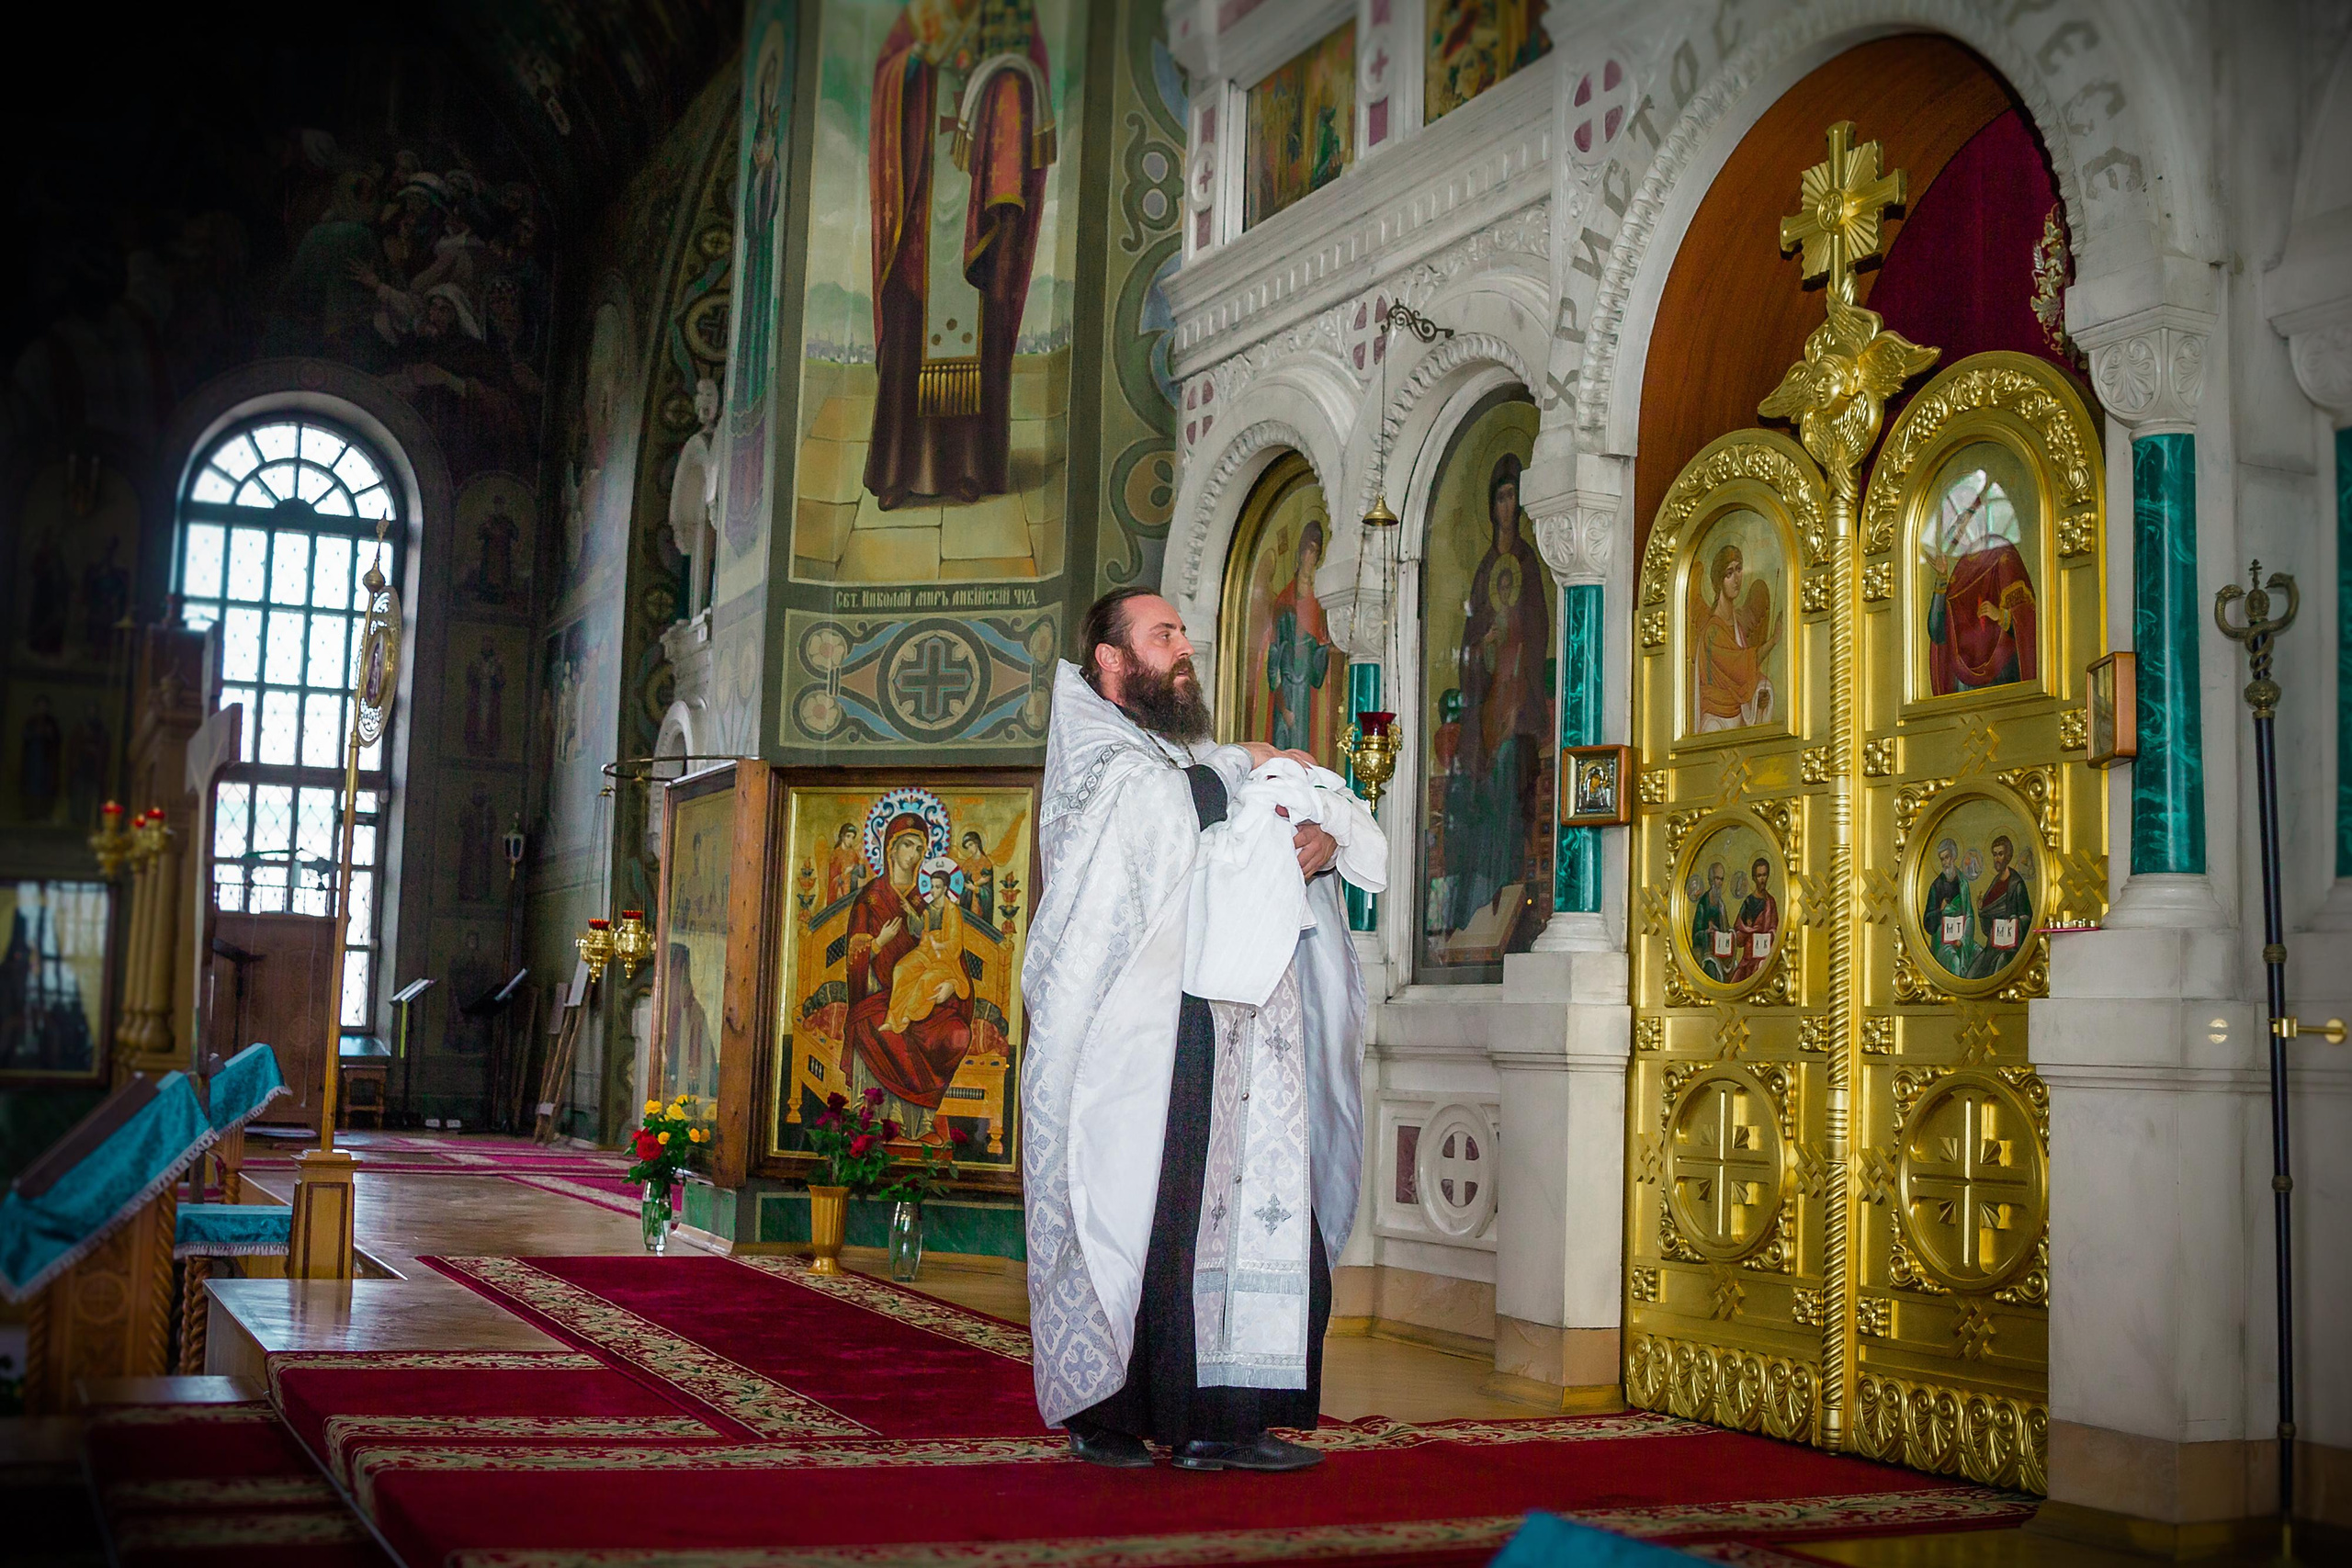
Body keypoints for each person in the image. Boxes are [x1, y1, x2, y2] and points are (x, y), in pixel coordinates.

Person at [1023, 586, 1364, 1474]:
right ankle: (1114, 1414)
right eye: (1162, 634)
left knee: (1239, 1210)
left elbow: (1233, 820)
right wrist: (1239, 768)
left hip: (1232, 1025)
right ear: (1110, 657)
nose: (1182, 649)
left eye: (1183, 634)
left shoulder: (1179, 753)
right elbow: (1154, 821)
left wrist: (1315, 842)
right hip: (1135, 1032)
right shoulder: (1097, 752)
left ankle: (1229, 1417)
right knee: (1149, 1211)